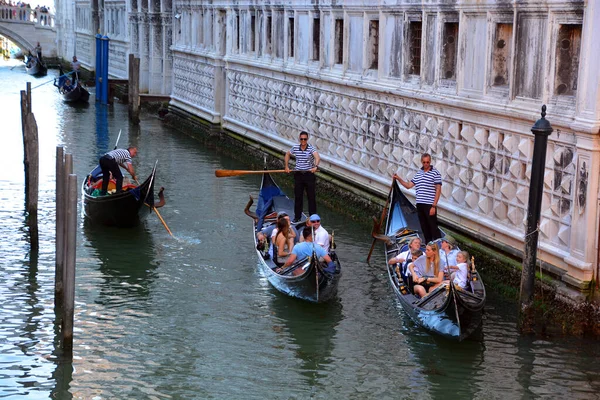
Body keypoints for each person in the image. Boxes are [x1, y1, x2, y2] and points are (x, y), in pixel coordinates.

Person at [393, 153, 442, 243]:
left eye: (427, 162)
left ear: (430, 162)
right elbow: (408, 186)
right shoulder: (418, 174)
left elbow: (438, 190)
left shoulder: (435, 173)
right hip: (420, 204)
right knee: (424, 226)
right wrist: (398, 178)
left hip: (429, 205)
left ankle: (438, 246)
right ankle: (428, 245)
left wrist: (434, 206)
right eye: (424, 162)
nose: (426, 164)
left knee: (433, 227)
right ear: (421, 162)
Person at [284, 131, 320, 223]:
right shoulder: (295, 147)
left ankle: (313, 218)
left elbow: (317, 157)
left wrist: (315, 167)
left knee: (311, 197)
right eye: (301, 139)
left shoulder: (311, 148)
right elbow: (287, 154)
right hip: (298, 174)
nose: (303, 141)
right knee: (298, 197)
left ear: (307, 139)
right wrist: (286, 166)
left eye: (305, 139)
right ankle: (297, 217)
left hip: (309, 175)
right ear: (299, 139)